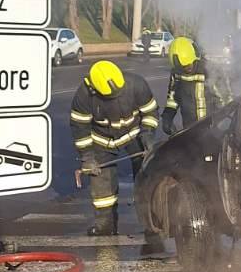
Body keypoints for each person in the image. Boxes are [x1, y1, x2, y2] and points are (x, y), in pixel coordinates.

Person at [69, 59, 162, 248]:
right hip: (102, 140)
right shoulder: (84, 96)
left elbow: (151, 112)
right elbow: (80, 128)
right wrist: (87, 158)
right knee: (102, 185)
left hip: (135, 135)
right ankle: (105, 226)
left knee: (146, 177)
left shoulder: (137, 84)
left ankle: (152, 223)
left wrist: (148, 134)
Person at [162, 36, 228, 135]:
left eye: (189, 64)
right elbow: (173, 98)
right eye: (183, 67)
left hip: (212, 127)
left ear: (194, 57)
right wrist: (168, 116)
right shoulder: (176, 74)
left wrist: (223, 122)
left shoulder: (209, 70)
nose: (187, 68)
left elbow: (225, 98)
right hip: (190, 127)